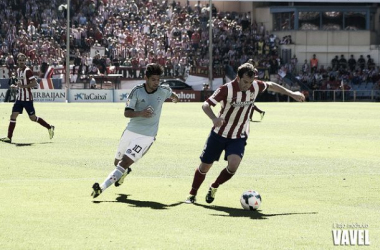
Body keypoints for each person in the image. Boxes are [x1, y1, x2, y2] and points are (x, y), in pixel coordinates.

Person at [185, 63, 305, 204]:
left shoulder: (255, 86)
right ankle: (192, 194)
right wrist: (214, 118)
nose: (247, 85)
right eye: (245, 82)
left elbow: (271, 85)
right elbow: (206, 105)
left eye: (250, 82)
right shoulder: (226, 89)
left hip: (238, 135)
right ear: (238, 78)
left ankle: (214, 186)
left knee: (234, 165)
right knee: (205, 166)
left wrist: (292, 93)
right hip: (219, 134)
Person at [91, 63, 179, 198]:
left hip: (147, 136)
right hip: (131, 131)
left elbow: (172, 94)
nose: (156, 83)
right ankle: (123, 173)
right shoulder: (137, 91)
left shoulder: (163, 90)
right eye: (153, 79)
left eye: (158, 80)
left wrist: (175, 98)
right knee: (117, 163)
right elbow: (127, 113)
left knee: (124, 162)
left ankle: (101, 188)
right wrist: (141, 113)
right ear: (146, 78)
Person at [0, 53, 55, 144]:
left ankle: (49, 127)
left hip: (27, 99)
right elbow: (21, 84)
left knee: (33, 118)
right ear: (17, 61)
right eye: (20, 60)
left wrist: (23, 86)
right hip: (19, 99)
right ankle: (9, 138)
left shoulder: (28, 71)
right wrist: (16, 86)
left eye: (23, 60)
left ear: (25, 61)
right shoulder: (18, 70)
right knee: (13, 116)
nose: (21, 62)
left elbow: (34, 84)